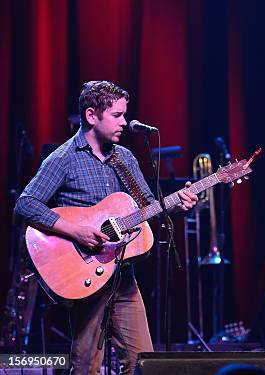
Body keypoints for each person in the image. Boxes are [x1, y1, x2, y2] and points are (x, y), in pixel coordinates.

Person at [14, 81, 198, 374]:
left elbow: (147, 206)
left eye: (125, 115)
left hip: (123, 276)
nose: (125, 122)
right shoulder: (63, 159)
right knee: (86, 366)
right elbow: (26, 204)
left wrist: (177, 204)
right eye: (117, 115)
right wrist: (77, 232)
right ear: (91, 116)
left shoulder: (124, 157)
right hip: (85, 276)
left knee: (144, 364)